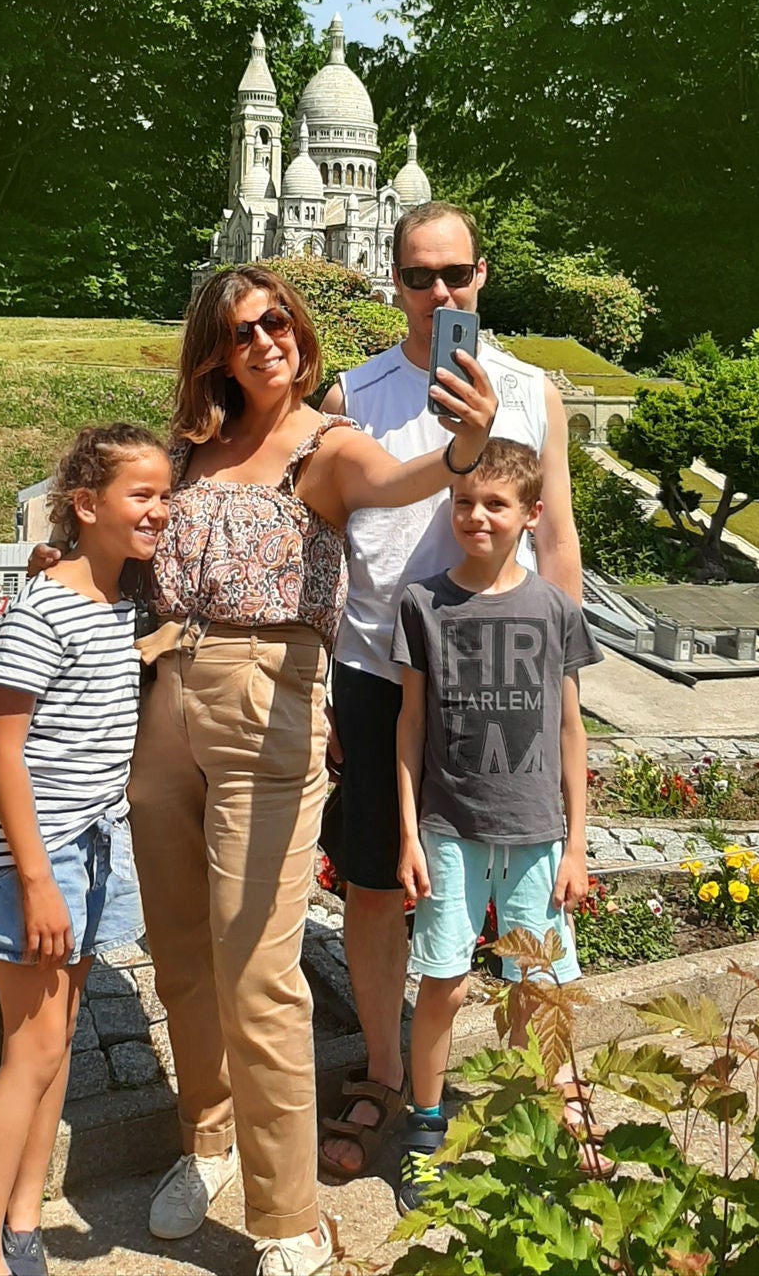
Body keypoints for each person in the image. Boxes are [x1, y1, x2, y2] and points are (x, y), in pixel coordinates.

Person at [128, 263, 496, 1276]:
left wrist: (464, 443)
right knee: (182, 956)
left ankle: (290, 1214)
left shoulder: (326, 447)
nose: (267, 340)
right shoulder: (191, 452)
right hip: (166, 697)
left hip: (270, 700)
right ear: (215, 350)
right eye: (245, 329)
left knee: (258, 970)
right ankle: (205, 1140)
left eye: (279, 320)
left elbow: (405, 478)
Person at [317, 200, 584, 1182]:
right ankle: (388, 1069)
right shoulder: (355, 395)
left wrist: (564, 679)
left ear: (482, 275)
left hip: (503, 680)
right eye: (419, 276)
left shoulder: (529, 392)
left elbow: (556, 537)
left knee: (521, 877)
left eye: (455, 274)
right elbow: (328, 544)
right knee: (383, 883)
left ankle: (543, 1085)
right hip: (385, 671)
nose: (440, 293)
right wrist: (326, 686)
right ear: (392, 281)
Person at [0, 424, 172, 1276]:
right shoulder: (47, 609)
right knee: (32, 1052)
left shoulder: (119, 602)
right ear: (86, 506)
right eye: (140, 496)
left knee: (59, 1039)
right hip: (37, 857)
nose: (159, 511)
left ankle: (22, 1218)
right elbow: (3, 748)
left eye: (163, 495)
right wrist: (37, 880)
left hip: (95, 840)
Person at [391, 436, 598, 1213]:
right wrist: (409, 833)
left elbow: (573, 730)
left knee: (534, 986)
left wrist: (577, 845)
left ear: (530, 515)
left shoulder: (554, 609)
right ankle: (424, 1124)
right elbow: (409, 729)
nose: (476, 516)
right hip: (448, 828)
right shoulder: (423, 605)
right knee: (442, 980)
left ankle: (535, 1115)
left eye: (496, 504)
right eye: (465, 502)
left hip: (538, 833)